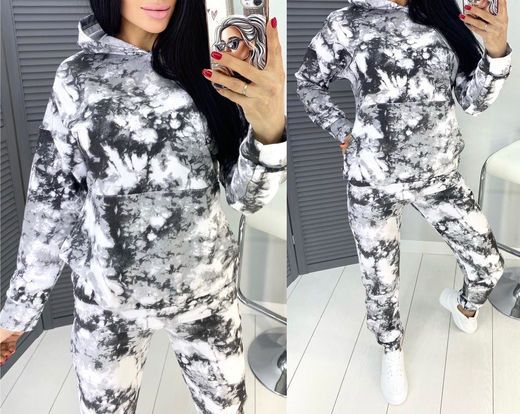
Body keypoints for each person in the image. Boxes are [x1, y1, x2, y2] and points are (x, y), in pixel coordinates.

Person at [0, 1, 286, 413]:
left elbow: (246, 198)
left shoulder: (212, 70)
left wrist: (270, 128)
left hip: (205, 292)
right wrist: (18, 312)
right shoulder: (77, 77)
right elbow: (51, 205)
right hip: (107, 299)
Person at [295, 0, 511, 405]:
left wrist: (496, 50)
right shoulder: (347, 22)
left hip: (438, 177)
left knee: (488, 265)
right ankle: (390, 348)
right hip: (371, 180)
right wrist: (343, 131)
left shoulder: (445, 14)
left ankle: (464, 307)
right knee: (380, 281)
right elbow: (308, 82)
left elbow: (472, 102)